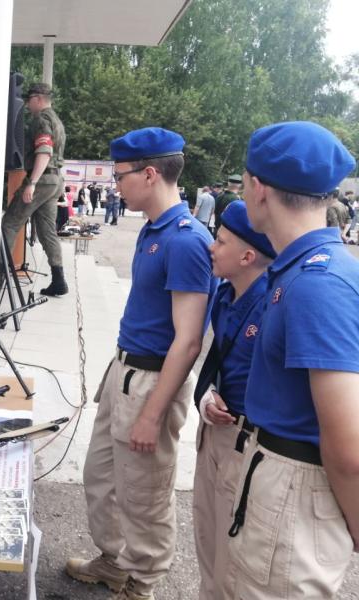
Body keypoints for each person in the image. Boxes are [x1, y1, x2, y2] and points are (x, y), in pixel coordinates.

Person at [66, 127, 217, 600]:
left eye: (121, 176)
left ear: (150, 174)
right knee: (103, 478)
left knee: (145, 493)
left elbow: (189, 340)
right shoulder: (154, 230)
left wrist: (153, 413)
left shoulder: (187, 241)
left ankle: (142, 582)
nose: (116, 185)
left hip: (152, 380)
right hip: (125, 370)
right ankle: (115, 562)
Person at [228, 121, 359, 598]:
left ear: (258, 189)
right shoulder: (307, 268)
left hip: (295, 491)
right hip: (281, 479)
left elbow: (348, 447)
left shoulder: (316, 284)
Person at [192, 200, 275, 600]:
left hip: (249, 442)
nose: (211, 246)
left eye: (220, 241)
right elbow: (214, 360)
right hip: (217, 431)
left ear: (247, 256)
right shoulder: (224, 294)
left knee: (234, 552)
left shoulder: (274, 303)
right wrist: (205, 396)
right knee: (207, 534)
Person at [1, 83, 68, 296]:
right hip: (54, 180)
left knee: (10, 223)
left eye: (29, 100)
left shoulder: (41, 120)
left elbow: (44, 151)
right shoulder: (56, 120)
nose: (27, 105)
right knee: (47, 230)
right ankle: (59, 280)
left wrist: (31, 182)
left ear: (38, 99)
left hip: (41, 179)